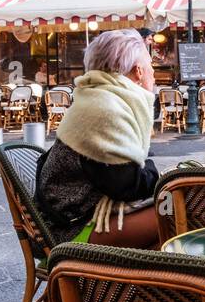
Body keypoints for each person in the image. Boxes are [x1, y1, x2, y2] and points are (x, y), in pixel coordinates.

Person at [34, 29, 160, 248]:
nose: (153, 73)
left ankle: (147, 281)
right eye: (152, 67)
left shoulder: (96, 98)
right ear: (138, 71)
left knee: (175, 210)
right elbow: (127, 186)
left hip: (73, 217)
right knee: (182, 211)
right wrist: (154, 172)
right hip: (72, 231)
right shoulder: (105, 109)